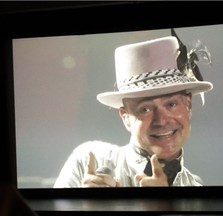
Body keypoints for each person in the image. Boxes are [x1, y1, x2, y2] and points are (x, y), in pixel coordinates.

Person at [54, 31, 213, 187]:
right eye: (145, 109)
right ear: (125, 118)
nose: (161, 120)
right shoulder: (89, 162)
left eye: (171, 104)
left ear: (188, 105)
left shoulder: (195, 188)